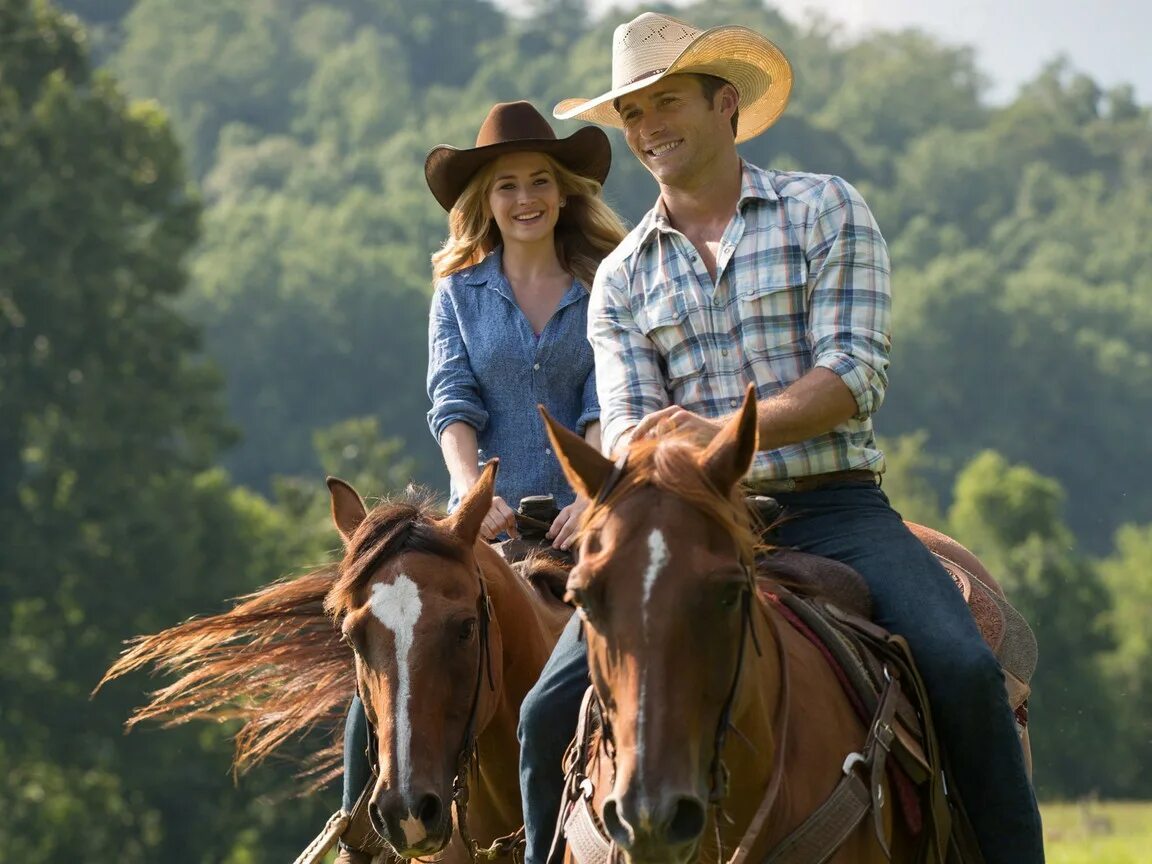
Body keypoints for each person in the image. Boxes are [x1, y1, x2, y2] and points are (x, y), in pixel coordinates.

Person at [516, 12, 1044, 864]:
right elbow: (628, 428)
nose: (649, 128)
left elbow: (853, 376)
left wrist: (722, 430)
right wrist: (675, 462)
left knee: (963, 672)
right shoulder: (620, 277)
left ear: (726, 104)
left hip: (834, 509)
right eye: (633, 114)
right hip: (683, 529)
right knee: (545, 716)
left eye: (666, 102)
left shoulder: (824, 209)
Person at [335, 101, 628, 864]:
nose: (525, 198)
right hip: (485, 521)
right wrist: (469, 488)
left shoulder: (605, 283)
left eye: (539, 182)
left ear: (564, 192)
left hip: (582, 515)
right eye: (507, 186)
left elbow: (605, 400)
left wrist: (594, 497)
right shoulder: (459, 293)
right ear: (484, 202)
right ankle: (355, 829)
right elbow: (452, 400)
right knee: (394, 640)